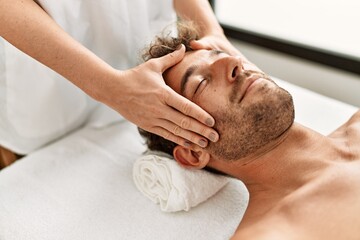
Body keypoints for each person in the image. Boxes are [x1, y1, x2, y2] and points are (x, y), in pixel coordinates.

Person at [138, 21, 360, 239]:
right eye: (201, 83)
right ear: (194, 152)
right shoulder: (273, 232)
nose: (235, 62)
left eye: (222, 55)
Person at [0, 0, 242, 167]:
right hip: (48, 79)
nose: (235, 66)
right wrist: (107, 86)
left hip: (140, 45)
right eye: (199, 83)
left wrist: (212, 31)